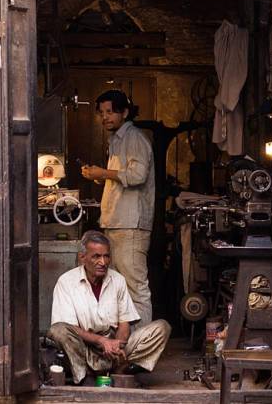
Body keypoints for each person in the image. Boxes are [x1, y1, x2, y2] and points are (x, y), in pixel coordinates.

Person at [48, 231, 170, 385]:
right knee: (59, 330)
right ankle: (84, 376)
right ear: (82, 257)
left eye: (106, 256)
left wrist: (116, 345)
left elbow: (124, 322)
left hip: (112, 348)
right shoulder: (66, 282)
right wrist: (101, 341)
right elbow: (70, 328)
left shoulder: (117, 280)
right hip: (84, 348)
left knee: (162, 328)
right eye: (96, 256)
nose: (103, 262)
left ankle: (120, 369)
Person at [80, 90, 155, 325]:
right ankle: (127, 345)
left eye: (110, 112)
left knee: (136, 289)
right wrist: (100, 177)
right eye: (102, 113)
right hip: (117, 223)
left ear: (124, 112)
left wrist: (103, 173)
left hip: (131, 225)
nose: (105, 117)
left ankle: (144, 348)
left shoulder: (135, 138)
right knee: (121, 287)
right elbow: (121, 177)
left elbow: (138, 175)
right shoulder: (117, 140)